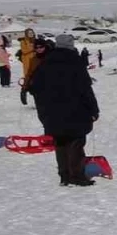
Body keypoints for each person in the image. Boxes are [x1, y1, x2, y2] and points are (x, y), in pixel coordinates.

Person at [27, 34, 99, 186]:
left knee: (60, 142)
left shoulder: (45, 63)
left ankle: (64, 176)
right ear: (71, 46)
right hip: (76, 110)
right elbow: (85, 89)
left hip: (52, 112)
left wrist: (44, 110)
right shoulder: (75, 62)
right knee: (76, 142)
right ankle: (77, 176)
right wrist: (94, 109)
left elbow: (34, 88)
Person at [18, 28, 39, 105]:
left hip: (37, 62)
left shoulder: (36, 40)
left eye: (32, 32)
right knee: (28, 79)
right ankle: (24, 91)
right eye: (29, 32)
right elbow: (24, 51)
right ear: (26, 34)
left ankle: (37, 100)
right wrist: (33, 48)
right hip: (28, 62)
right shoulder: (23, 41)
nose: (31, 34)